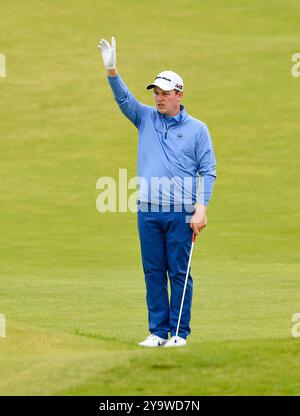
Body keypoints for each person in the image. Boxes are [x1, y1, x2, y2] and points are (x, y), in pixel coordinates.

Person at [98, 37, 217, 348]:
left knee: (179, 273)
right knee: (153, 271)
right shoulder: (146, 119)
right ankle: (157, 332)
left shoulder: (197, 129)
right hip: (148, 209)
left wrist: (201, 207)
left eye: (165, 93)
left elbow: (208, 171)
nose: (159, 98)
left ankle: (179, 333)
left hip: (181, 211)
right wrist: (112, 71)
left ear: (179, 95)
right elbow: (124, 100)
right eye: (156, 93)